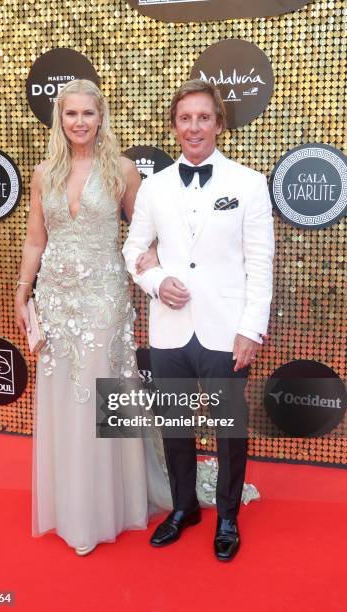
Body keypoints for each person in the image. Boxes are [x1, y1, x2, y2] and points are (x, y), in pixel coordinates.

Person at [123, 79, 274, 560]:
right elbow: (133, 248)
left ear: (219, 124)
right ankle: (184, 507)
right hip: (169, 329)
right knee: (174, 425)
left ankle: (228, 515)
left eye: (203, 117)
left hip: (225, 328)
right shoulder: (153, 187)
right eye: (185, 118)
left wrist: (250, 328)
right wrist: (155, 281)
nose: (194, 127)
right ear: (174, 126)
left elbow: (260, 264)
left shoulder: (248, 184)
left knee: (229, 429)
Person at [14, 79, 159, 556]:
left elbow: (143, 237)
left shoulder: (121, 170)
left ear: (102, 118)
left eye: (88, 114)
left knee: (101, 396)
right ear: (60, 119)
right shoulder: (43, 174)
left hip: (103, 298)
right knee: (64, 399)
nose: (79, 122)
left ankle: (106, 509)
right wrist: (23, 290)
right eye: (71, 114)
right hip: (56, 300)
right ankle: (70, 505)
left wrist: (155, 279)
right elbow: (37, 239)